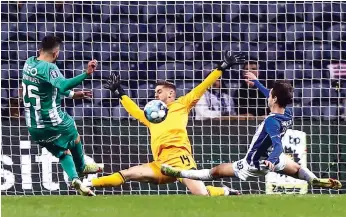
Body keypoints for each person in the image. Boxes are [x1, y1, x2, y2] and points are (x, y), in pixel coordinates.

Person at [88, 51, 246, 196]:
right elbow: (134, 111)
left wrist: (222, 67)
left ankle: (224, 191)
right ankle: (88, 183)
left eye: (159, 91)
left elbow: (202, 86)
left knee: (201, 194)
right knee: (128, 173)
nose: (155, 94)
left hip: (180, 160)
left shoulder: (182, 104)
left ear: (170, 93)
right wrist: (120, 92)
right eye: (155, 92)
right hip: (160, 164)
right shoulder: (151, 115)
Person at [161, 71, 342, 190]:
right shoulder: (287, 113)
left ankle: (179, 172)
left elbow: (278, 144)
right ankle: (315, 180)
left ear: (275, 98)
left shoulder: (271, 122)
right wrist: (257, 84)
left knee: (214, 172)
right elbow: (272, 99)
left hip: (255, 164)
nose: (268, 95)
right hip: (276, 159)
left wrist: (270, 161)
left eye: (270, 93)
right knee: (296, 168)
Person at [22, 35, 103, 196]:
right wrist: (86, 74)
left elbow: (49, 88)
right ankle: (81, 167)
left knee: (62, 152)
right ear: (56, 53)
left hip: (34, 127)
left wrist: (73, 95)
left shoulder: (29, 63)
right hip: (53, 121)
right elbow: (62, 84)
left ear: (40, 50)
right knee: (72, 130)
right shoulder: (50, 68)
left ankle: (75, 179)